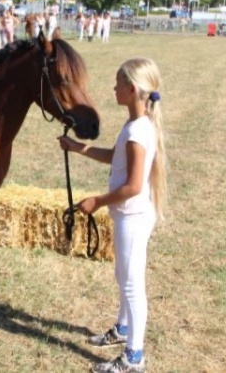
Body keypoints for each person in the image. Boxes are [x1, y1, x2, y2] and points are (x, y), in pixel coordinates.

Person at [57, 57, 167, 373]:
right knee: (124, 275)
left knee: (132, 284)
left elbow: (132, 186)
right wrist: (78, 148)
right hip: (129, 215)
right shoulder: (135, 126)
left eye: (118, 83)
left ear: (131, 89)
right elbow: (117, 158)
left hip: (131, 215)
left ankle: (134, 357)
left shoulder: (137, 131)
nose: (113, 87)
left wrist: (98, 201)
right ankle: (122, 328)